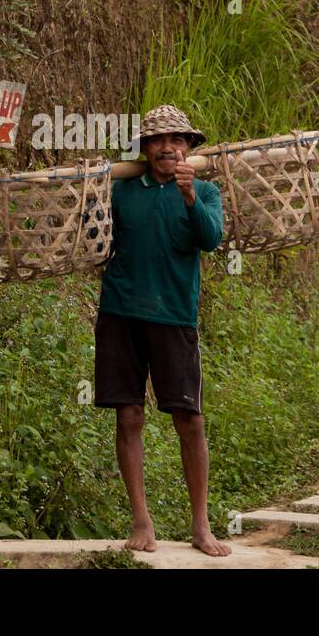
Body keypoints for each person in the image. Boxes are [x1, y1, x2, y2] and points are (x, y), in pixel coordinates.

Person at [94, 104, 230, 556]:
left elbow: (210, 240)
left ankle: (201, 525)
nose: (167, 147)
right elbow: (92, 237)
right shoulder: (123, 190)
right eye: (157, 140)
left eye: (176, 140)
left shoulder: (207, 192)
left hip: (174, 318)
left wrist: (190, 199)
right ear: (145, 148)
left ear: (189, 148)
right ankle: (141, 521)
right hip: (121, 315)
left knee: (189, 420)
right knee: (128, 416)